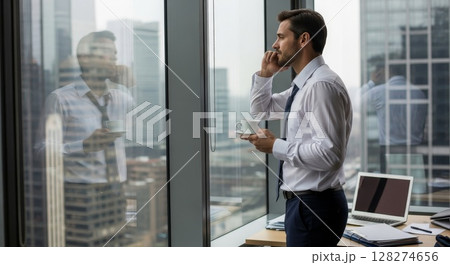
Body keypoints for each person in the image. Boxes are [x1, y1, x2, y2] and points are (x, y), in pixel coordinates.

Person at [243, 9, 352, 246]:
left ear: (303, 40)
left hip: (315, 207)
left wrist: (276, 146)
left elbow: (330, 154)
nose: (275, 44)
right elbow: (261, 110)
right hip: (306, 205)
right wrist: (265, 75)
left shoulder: (321, 86)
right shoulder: (304, 86)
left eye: (281, 37)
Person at [38, 30, 134, 246]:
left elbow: (151, 128)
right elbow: (41, 149)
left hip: (116, 191)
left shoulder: (122, 98)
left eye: (115, 54)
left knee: (115, 246)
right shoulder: (61, 99)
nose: (114, 59)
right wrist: (82, 146)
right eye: (106, 53)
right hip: (79, 194)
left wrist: (131, 85)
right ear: (84, 59)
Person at [362, 63, 427, 174]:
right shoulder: (419, 93)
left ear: (387, 71)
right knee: (417, 190)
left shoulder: (378, 92)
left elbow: (354, 103)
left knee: (391, 189)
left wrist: (371, 82)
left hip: (389, 152)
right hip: (415, 152)